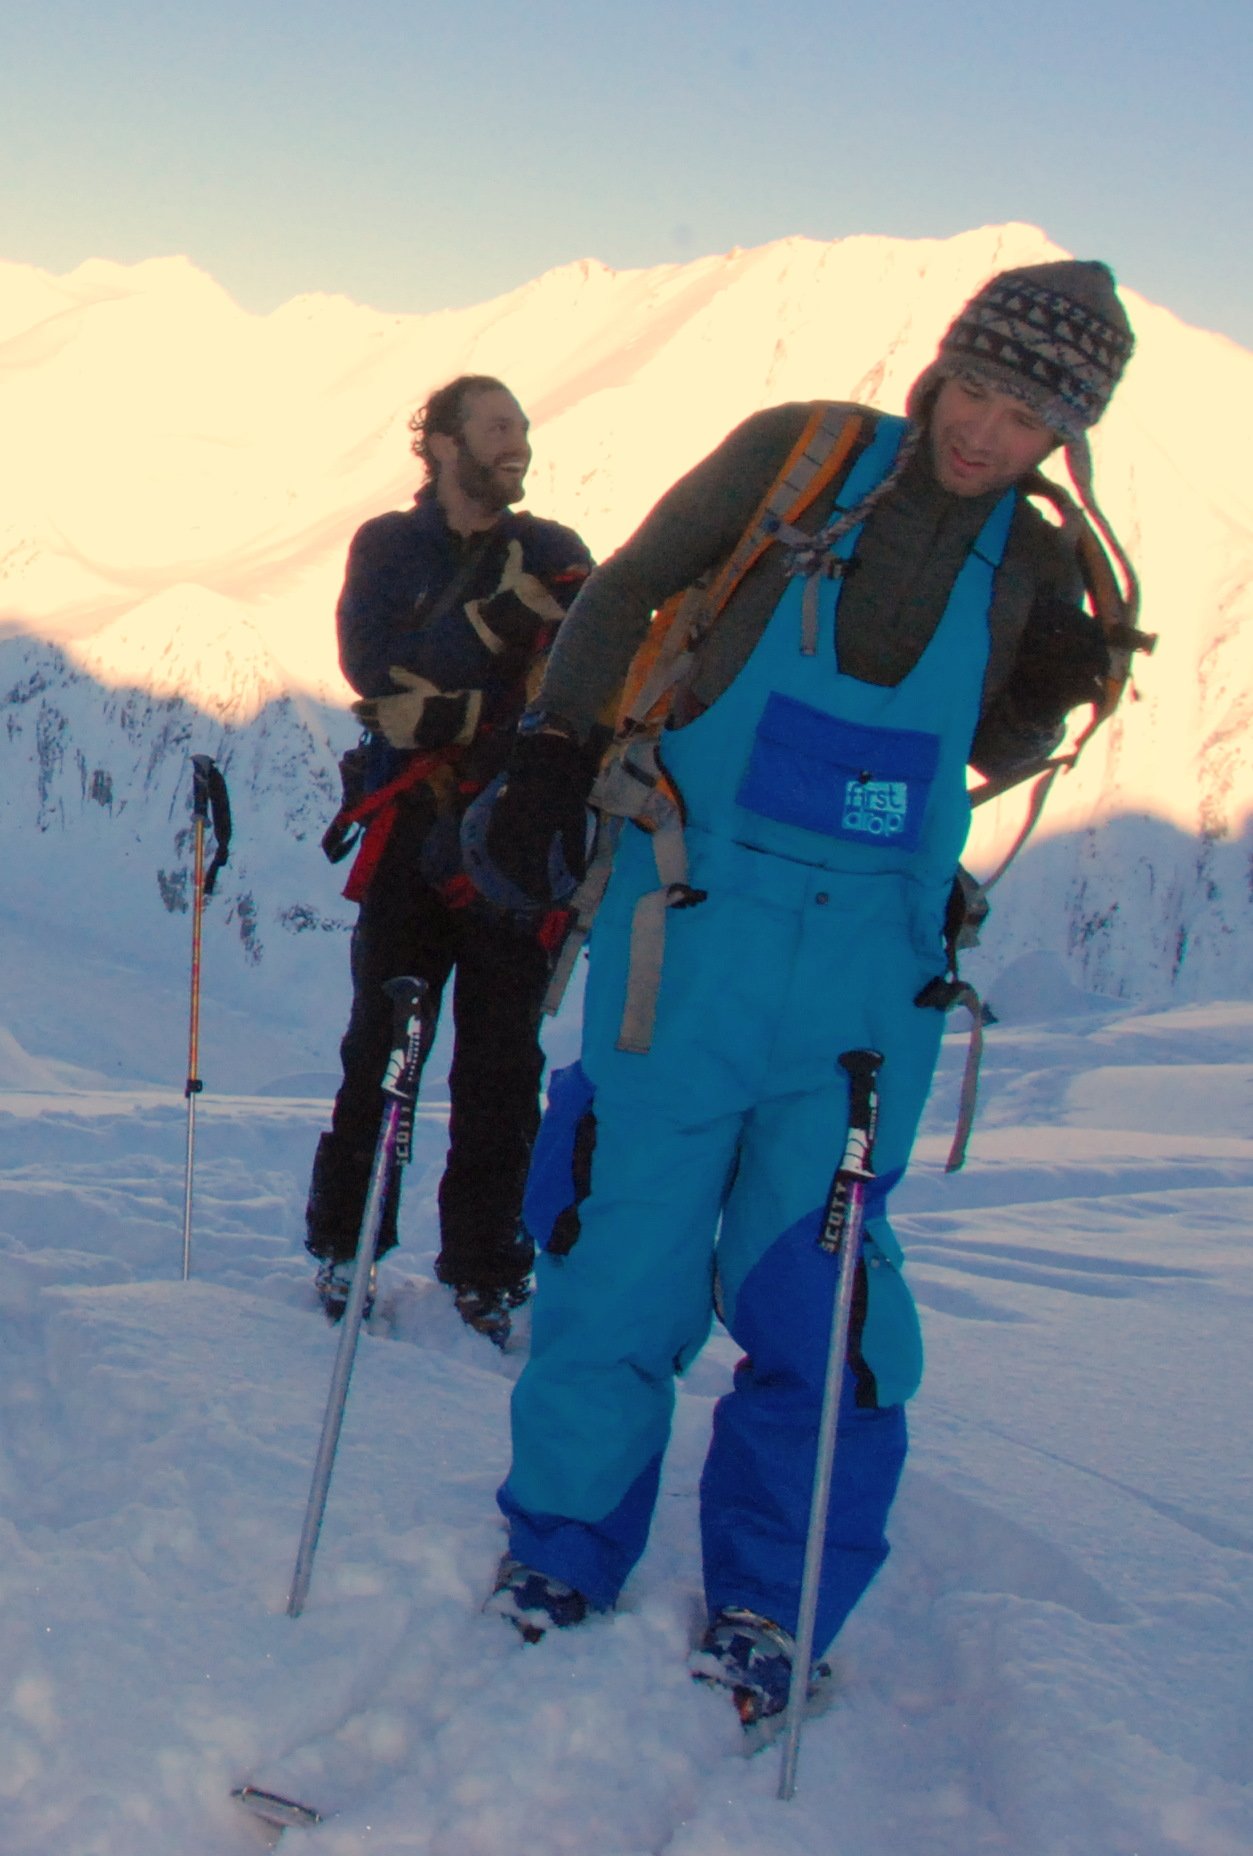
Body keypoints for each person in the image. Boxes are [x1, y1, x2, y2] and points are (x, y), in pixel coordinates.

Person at [462, 261, 1139, 1725]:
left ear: (1059, 441)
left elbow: (983, 746)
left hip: (857, 998)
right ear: (939, 369)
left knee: (825, 1309)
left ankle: (774, 1600)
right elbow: (635, 584)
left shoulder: (1030, 567)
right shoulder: (804, 457)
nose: (985, 434)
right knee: (617, 1264)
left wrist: (1058, 692)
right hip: (682, 936)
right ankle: (561, 1554)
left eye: (1027, 417)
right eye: (978, 391)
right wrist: (552, 746)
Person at [306, 377, 592, 1345]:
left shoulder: (552, 554)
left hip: (512, 841)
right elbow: (372, 674)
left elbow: (572, 681)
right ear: (437, 443)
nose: (516, 442)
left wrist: (442, 694)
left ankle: (481, 1266)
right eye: (496, 427)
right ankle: (349, 1244)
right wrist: (499, 637)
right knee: (382, 1044)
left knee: (502, 1067)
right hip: (425, 837)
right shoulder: (389, 547)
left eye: (518, 426)